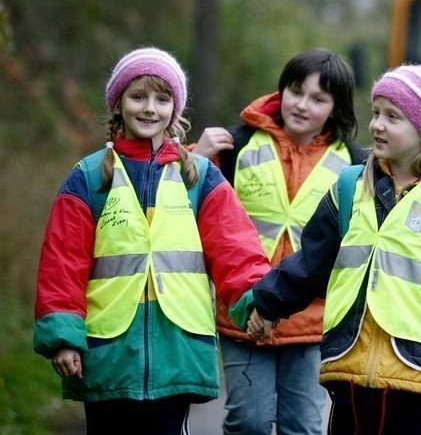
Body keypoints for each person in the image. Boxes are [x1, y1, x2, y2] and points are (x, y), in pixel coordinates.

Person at [233, 64, 421, 434]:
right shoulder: (348, 187)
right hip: (351, 364)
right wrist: (267, 304)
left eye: (393, 117)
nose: (377, 124)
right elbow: (311, 262)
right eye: (376, 113)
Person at [33, 47, 271, 434]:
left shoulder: (201, 178)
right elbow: (63, 263)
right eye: (138, 96)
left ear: (175, 109)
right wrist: (63, 337)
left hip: (177, 350)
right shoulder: (89, 177)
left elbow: (235, 247)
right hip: (107, 353)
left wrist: (255, 303)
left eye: (162, 99)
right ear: (118, 104)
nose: (149, 109)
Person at [192, 48, 364, 435]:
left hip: (312, 321)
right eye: (295, 91)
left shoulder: (355, 166)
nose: (302, 105)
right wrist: (197, 161)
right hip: (243, 312)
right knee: (248, 422)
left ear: (336, 108)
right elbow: (177, 203)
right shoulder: (233, 147)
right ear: (281, 90)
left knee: (301, 426)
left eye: (318, 99)